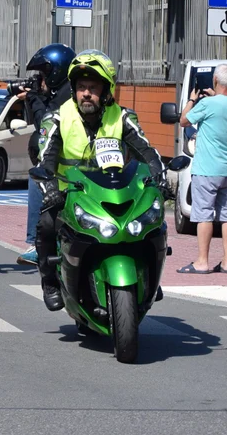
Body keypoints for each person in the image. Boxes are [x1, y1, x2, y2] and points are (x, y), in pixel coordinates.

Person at [34, 50, 164, 310]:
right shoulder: (57, 119)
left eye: (93, 87)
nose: (86, 94)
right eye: (81, 87)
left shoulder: (123, 117)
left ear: (106, 90)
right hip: (69, 195)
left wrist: (160, 179)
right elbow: (45, 161)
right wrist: (49, 189)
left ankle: (151, 276)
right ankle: (49, 282)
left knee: (153, 226)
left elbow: (147, 151)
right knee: (46, 226)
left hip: (116, 193)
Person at [16, 44, 75, 266]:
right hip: (60, 160)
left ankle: (34, 243)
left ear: (58, 70)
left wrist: (32, 98)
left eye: (45, 73)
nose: (41, 79)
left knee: (36, 179)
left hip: (65, 164)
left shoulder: (66, 94)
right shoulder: (60, 92)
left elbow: (45, 124)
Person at [178, 63, 227, 274]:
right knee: (226, 216)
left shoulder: (207, 104)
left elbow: (184, 121)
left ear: (215, 81)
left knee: (205, 215)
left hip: (207, 169)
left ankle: (202, 262)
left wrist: (191, 100)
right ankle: (226, 262)